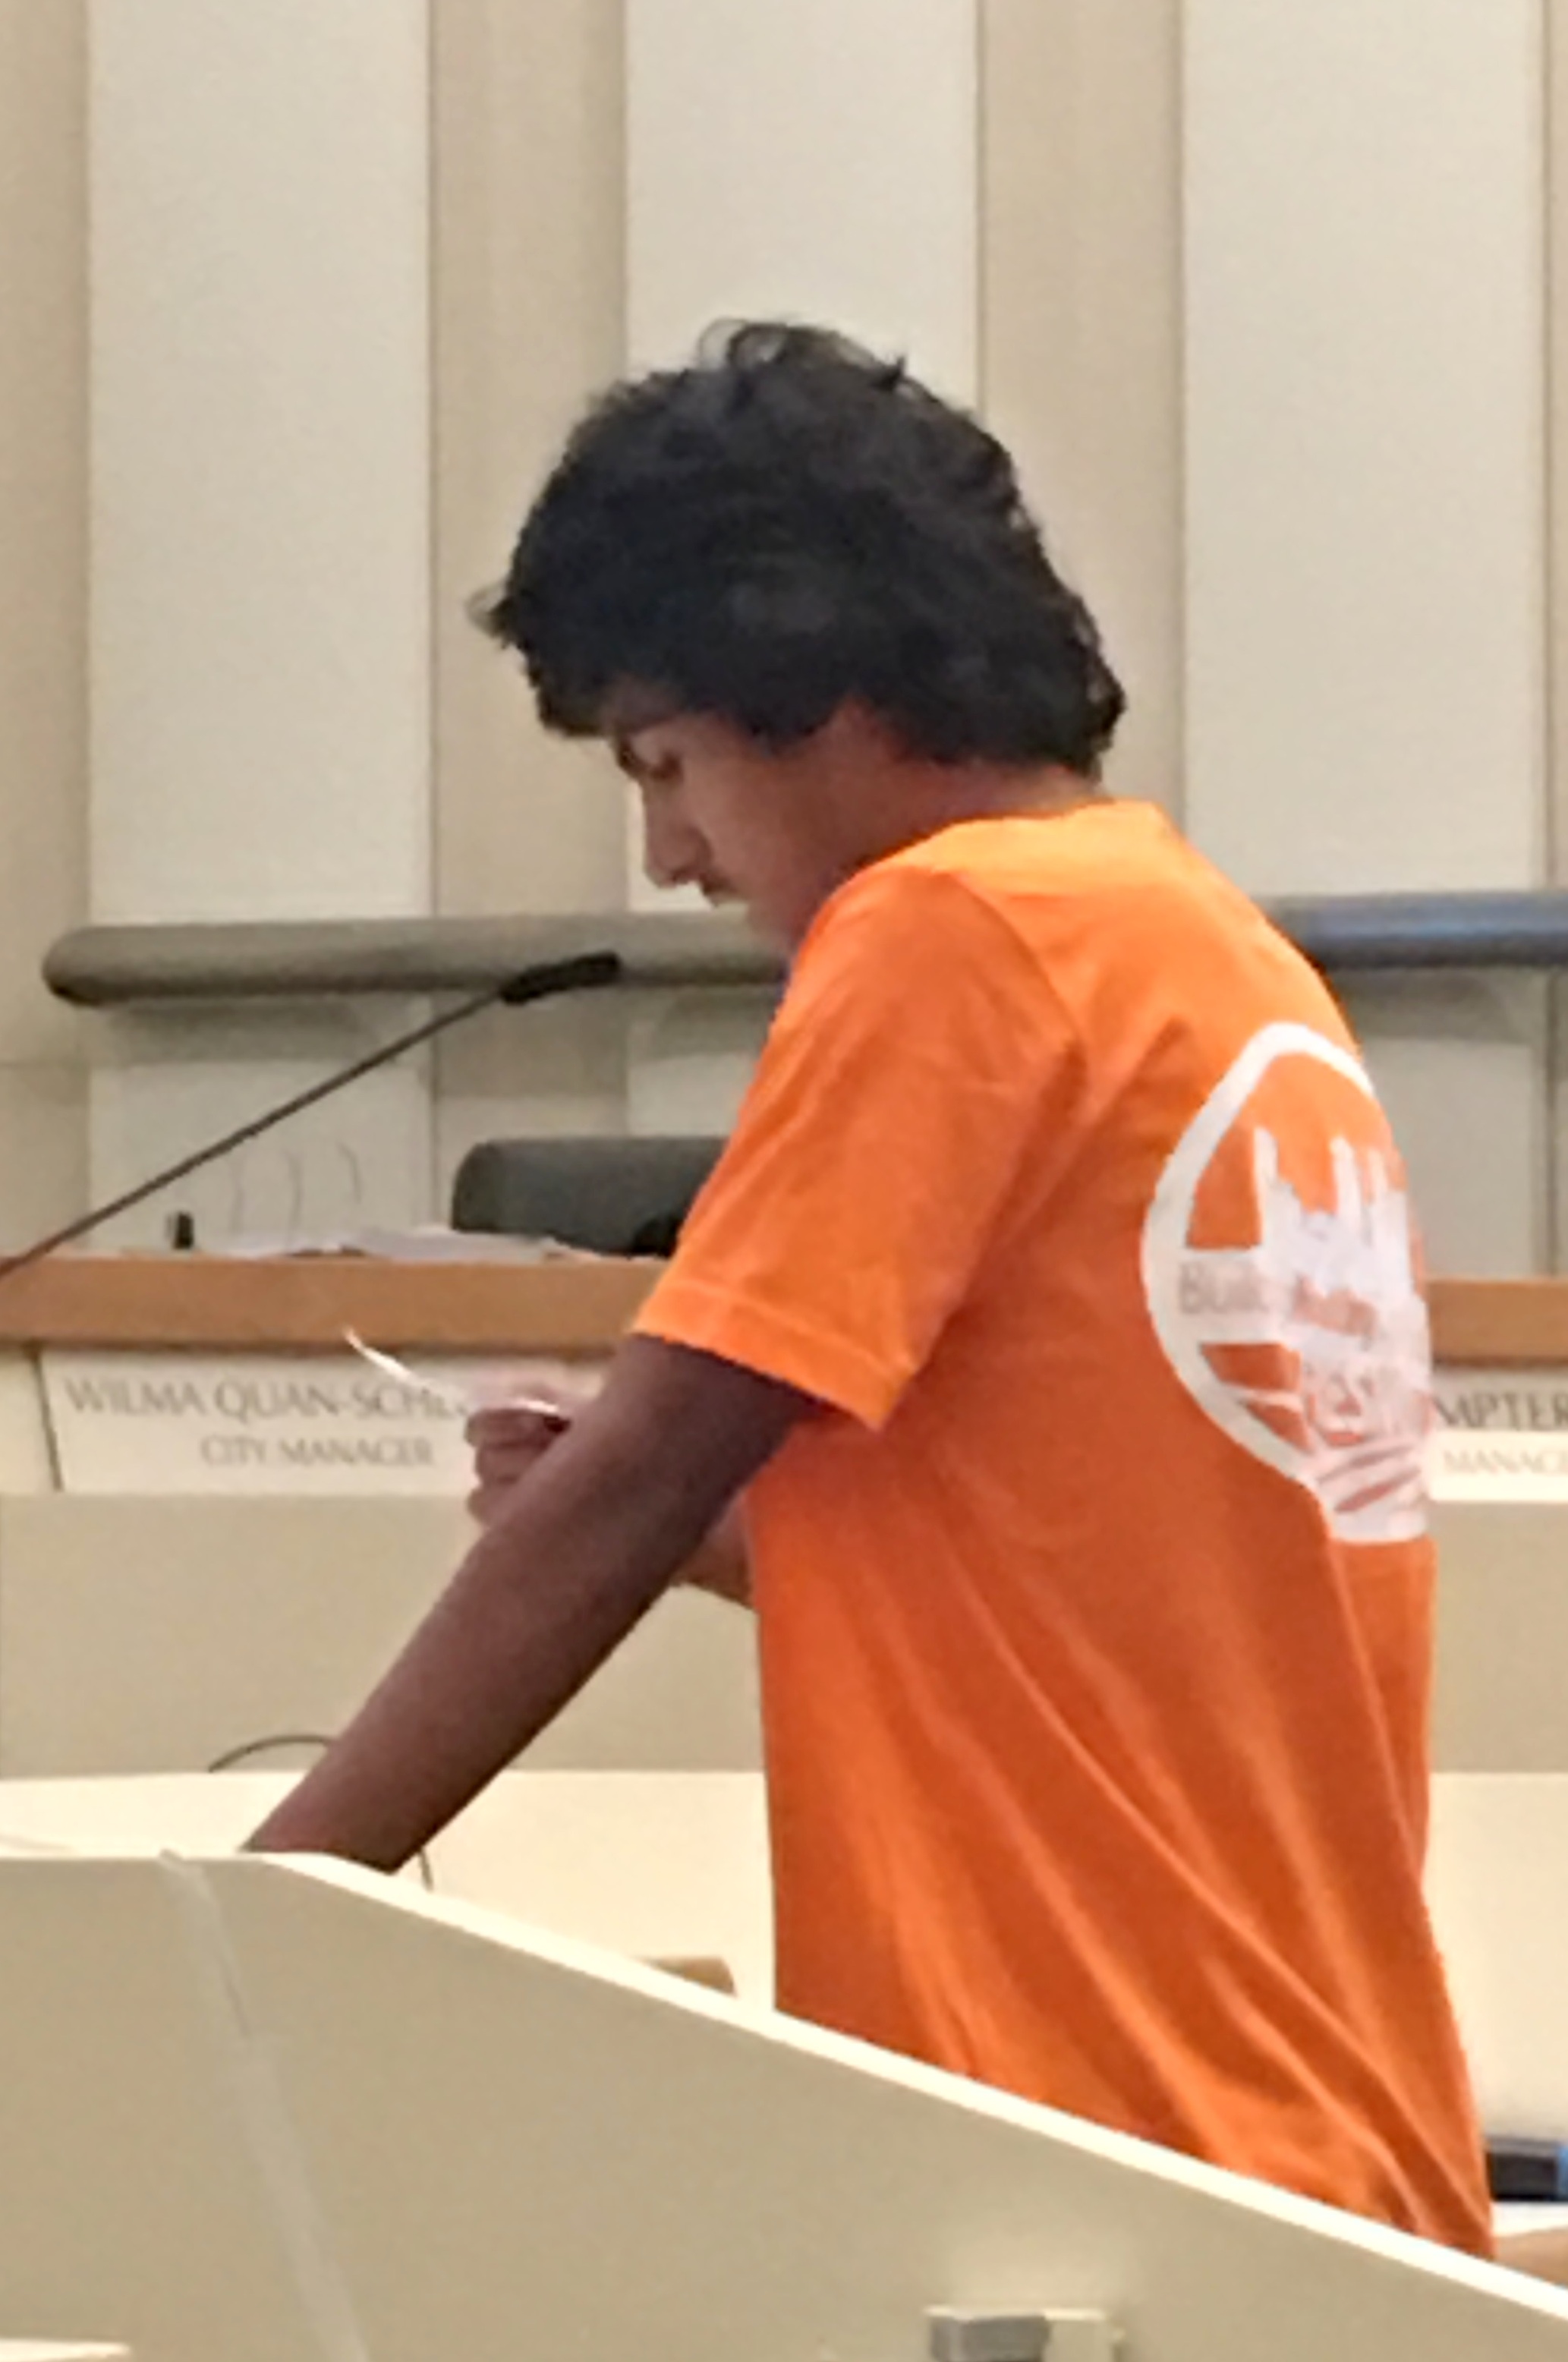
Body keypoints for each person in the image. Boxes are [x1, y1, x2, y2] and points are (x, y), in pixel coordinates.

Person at [248, 323, 1491, 2255]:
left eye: (665, 762)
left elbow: (633, 1473)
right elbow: (1130, 1587)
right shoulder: (1210, 957)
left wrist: (254, 1915)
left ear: (807, 679)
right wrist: (748, 1543)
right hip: (1333, 2142)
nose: (668, 851)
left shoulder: (945, 931)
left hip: (1095, 2149)